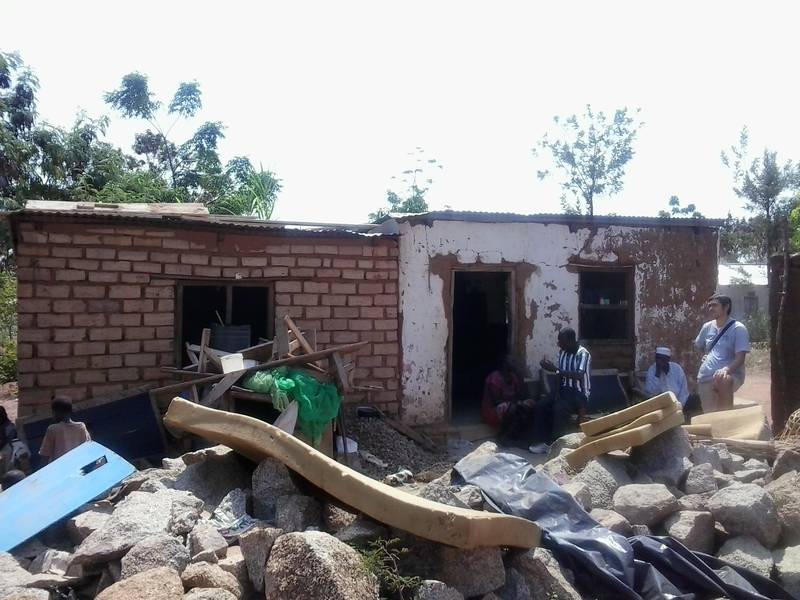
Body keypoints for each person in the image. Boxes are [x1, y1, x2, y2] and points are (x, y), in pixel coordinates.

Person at [530, 327, 591, 453]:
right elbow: (559, 375)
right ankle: (541, 442)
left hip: (579, 394)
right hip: (563, 390)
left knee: (559, 409)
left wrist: (555, 369)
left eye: (561, 341)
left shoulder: (583, 353)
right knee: (541, 405)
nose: (559, 344)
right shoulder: (562, 352)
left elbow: (579, 375)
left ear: (570, 341)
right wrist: (556, 393)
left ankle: (555, 446)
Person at [694, 292, 750, 413]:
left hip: (730, 375)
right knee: (709, 415)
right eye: (709, 306)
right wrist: (703, 356)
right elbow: (698, 345)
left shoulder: (738, 328)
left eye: (715, 305)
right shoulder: (707, 327)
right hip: (705, 377)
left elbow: (740, 358)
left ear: (726, 307)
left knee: (723, 380)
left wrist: (726, 370)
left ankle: (726, 420)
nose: (711, 308)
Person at [481, 356, 536, 444]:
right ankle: (504, 437)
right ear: (504, 365)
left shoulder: (512, 376)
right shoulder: (494, 378)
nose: (515, 364)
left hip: (509, 404)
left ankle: (515, 436)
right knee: (514, 409)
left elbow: (520, 395)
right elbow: (496, 401)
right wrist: (518, 403)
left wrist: (519, 375)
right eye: (512, 362)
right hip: (493, 409)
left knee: (528, 407)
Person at [39, 397, 91, 464]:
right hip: (78, 467)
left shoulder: (53, 429)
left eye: (53, 412)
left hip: (60, 470)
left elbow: (45, 455)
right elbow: (88, 447)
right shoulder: (81, 426)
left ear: (57, 412)